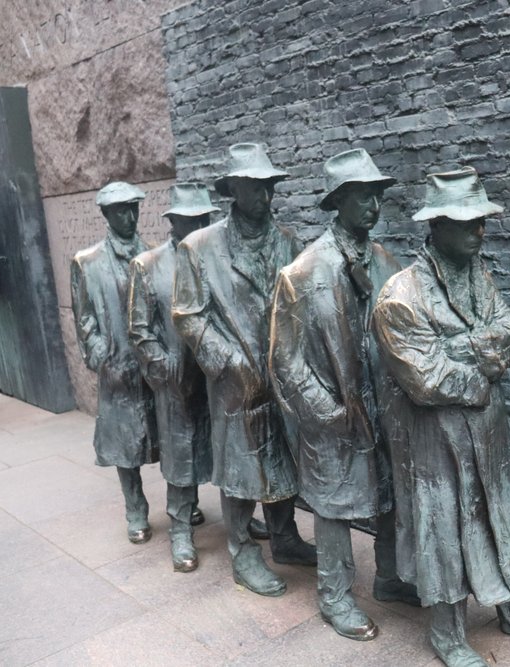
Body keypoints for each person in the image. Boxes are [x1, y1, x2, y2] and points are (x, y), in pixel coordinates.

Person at [372, 167, 510, 667]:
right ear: (436, 226)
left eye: (481, 220)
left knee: (505, 511)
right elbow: (426, 379)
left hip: (488, 430)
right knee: (444, 529)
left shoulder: (478, 275)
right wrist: (483, 371)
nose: (479, 230)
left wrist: (463, 347)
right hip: (435, 439)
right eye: (466, 222)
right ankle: (446, 631)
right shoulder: (400, 297)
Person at [270, 149, 418, 641]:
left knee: (391, 494)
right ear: (338, 202)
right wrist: (326, 412)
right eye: (363, 196)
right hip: (332, 412)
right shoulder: (303, 272)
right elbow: (285, 361)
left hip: (384, 405)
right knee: (334, 505)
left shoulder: (387, 263)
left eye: (378, 195)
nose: (374, 205)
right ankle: (334, 595)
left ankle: (391, 577)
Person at [172, 144, 313, 596]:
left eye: (269, 187)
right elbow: (188, 314)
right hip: (235, 379)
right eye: (254, 188)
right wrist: (226, 362)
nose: (264, 197)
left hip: (283, 372)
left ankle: (285, 536)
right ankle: (241, 551)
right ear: (233, 190)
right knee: (239, 466)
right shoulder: (200, 246)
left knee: (284, 457)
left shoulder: (288, 241)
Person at [128, 183, 218, 572]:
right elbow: (139, 329)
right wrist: (164, 368)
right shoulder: (147, 265)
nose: (198, 225)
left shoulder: (216, 258)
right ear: (173, 222)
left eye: (204, 219)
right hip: (175, 378)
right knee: (181, 456)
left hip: (217, 375)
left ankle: (242, 518)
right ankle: (180, 528)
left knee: (227, 451)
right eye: (190, 220)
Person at [70, 182, 159, 544]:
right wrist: (100, 357)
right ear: (106, 215)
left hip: (153, 366)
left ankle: (183, 503)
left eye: (134, 208)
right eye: (121, 210)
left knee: (166, 434)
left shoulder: (153, 254)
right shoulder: (87, 262)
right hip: (117, 365)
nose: (129, 216)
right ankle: (135, 509)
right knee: (125, 445)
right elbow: (84, 318)